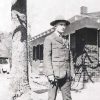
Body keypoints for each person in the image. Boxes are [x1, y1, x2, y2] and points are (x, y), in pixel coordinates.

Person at [43, 17, 75, 100]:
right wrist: (50, 74)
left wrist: (72, 72)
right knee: (52, 98)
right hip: (54, 74)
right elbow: (47, 57)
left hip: (66, 74)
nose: (63, 27)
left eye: (64, 25)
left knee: (67, 98)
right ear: (55, 26)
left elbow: (70, 57)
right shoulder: (49, 39)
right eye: (61, 24)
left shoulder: (65, 40)